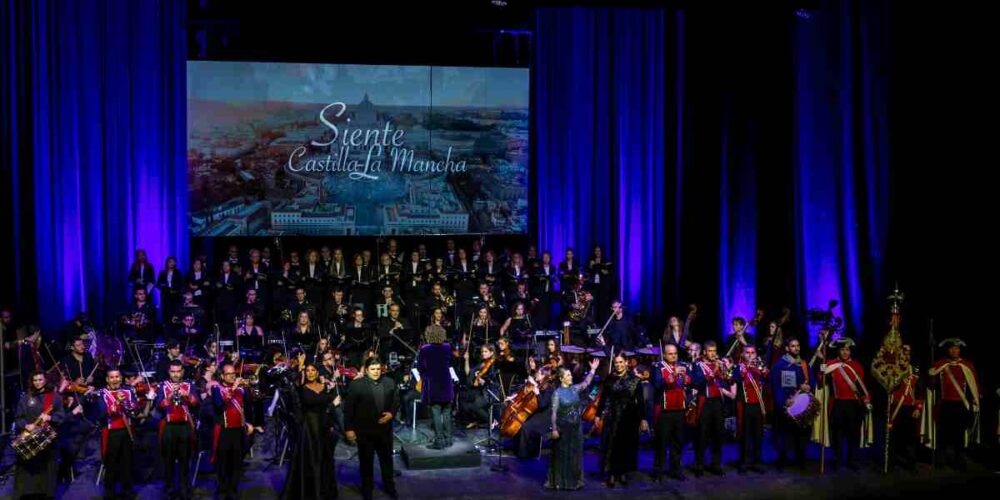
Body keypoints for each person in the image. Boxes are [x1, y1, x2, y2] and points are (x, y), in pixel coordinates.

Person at [282, 363, 342, 499]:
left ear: (317, 372)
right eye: (307, 370)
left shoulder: (324, 387)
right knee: (312, 460)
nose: (310, 373)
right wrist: (331, 405)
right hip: (309, 430)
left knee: (324, 460)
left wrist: (333, 386)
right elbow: (306, 397)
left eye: (313, 370)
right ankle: (311, 494)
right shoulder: (302, 389)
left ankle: (323, 491)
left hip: (324, 427)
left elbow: (335, 399)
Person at [344, 357, 400, 500]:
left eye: (378, 369)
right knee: (366, 462)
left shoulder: (389, 382)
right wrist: (349, 429)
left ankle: (390, 487)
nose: (376, 372)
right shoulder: (356, 385)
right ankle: (367, 490)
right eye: (372, 369)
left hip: (384, 430)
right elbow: (349, 408)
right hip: (365, 431)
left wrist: (391, 414)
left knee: (387, 461)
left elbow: (395, 401)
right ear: (366, 370)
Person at [594, 353, 649, 487]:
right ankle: (612, 474)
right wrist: (598, 415)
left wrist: (643, 419)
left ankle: (623, 473)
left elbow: (640, 402)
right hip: (612, 417)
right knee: (612, 445)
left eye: (620, 362)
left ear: (626, 362)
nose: (618, 365)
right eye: (616, 362)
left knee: (625, 446)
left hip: (629, 417)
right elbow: (603, 398)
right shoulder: (610, 379)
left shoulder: (635, 380)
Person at [544, 358, 599, 490]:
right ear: (561, 378)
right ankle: (560, 482)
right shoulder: (557, 393)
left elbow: (586, 383)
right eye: (568, 375)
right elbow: (553, 413)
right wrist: (554, 429)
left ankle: (574, 482)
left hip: (576, 428)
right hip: (563, 429)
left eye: (570, 374)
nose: (571, 377)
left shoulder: (574, 389)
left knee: (575, 455)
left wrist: (592, 370)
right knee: (563, 456)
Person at [927, 338, 981, 470]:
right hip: (945, 404)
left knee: (959, 434)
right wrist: (932, 377)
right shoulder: (941, 364)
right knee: (943, 433)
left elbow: (974, 385)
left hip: (960, 405)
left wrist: (974, 401)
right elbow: (931, 381)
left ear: (960, 350)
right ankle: (941, 460)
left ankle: (959, 460)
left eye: (956, 348)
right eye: (951, 348)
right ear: (948, 350)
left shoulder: (967, 365)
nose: (954, 350)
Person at [13, 371, 65, 499]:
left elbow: (61, 417)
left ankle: (47, 494)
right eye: (35, 380)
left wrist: (50, 417)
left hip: (48, 440)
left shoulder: (54, 397)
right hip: (30, 440)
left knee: (48, 470)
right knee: (28, 473)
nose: (38, 382)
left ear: (45, 380)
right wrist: (26, 425)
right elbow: (18, 418)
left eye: (40, 379)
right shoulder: (25, 398)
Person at [155, 361, 199, 500]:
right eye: (173, 371)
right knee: (168, 461)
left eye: (178, 371)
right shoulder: (163, 386)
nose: (175, 374)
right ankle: (170, 490)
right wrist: (169, 396)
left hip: (185, 426)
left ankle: (185, 490)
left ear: (182, 372)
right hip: (169, 427)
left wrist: (187, 395)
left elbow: (196, 403)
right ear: (169, 372)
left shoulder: (189, 385)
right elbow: (158, 406)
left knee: (185, 460)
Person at [769, 337, 812, 470]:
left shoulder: (803, 364)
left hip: (800, 405)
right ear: (787, 348)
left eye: (797, 345)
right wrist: (783, 401)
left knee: (801, 433)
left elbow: (811, 381)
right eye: (793, 346)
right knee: (784, 434)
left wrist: (808, 387)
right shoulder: (780, 365)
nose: (796, 348)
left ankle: (800, 459)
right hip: (785, 404)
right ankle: (782, 460)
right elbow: (775, 385)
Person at [651, 344, 690, 481]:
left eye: (675, 353)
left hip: (679, 410)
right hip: (665, 410)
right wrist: (673, 374)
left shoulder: (682, 366)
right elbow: (657, 384)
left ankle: (676, 469)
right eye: (670, 354)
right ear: (665, 355)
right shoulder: (658, 367)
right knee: (661, 442)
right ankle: (658, 470)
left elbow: (688, 383)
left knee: (677, 442)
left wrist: (685, 378)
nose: (673, 356)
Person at [418, 325, 455, 449]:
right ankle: (448, 439)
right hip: (446, 382)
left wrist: (424, 376)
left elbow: (421, 367)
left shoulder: (425, 349)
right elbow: (452, 362)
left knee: (436, 412)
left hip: (433, 384)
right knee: (447, 412)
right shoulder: (447, 347)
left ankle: (439, 441)